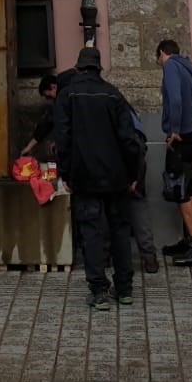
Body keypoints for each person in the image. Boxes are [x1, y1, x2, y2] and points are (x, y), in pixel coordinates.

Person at [54, 46, 143, 310]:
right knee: (120, 231)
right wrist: (133, 173)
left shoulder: (67, 95)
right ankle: (124, 289)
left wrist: (65, 172)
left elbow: (63, 139)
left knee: (91, 233)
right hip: (116, 176)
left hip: (84, 176)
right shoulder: (113, 94)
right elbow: (129, 139)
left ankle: (99, 291)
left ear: (78, 68)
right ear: (99, 68)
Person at [156, 38, 192, 267]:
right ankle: (191, 238)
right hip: (190, 133)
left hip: (180, 136)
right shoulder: (187, 68)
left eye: (158, 59)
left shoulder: (170, 66)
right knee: (189, 187)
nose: (159, 63)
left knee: (179, 189)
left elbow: (175, 100)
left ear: (161, 53)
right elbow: (190, 101)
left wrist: (174, 130)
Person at [126, 107, 159, 273]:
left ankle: (104, 257)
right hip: (132, 161)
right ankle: (149, 257)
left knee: (134, 206)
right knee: (137, 207)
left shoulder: (109, 110)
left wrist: (134, 178)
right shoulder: (121, 106)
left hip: (125, 165)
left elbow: (136, 146)